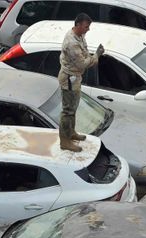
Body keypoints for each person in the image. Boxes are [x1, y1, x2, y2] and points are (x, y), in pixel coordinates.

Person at [58, 14, 103, 152]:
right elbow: (83, 63)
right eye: (86, 26)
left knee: (73, 108)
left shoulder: (79, 36)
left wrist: (90, 57)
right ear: (77, 25)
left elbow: (84, 54)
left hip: (75, 78)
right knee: (68, 111)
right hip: (69, 78)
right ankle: (65, 142)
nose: (88, 29)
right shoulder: (71, 42)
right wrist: (96, 56)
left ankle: (71, 133)